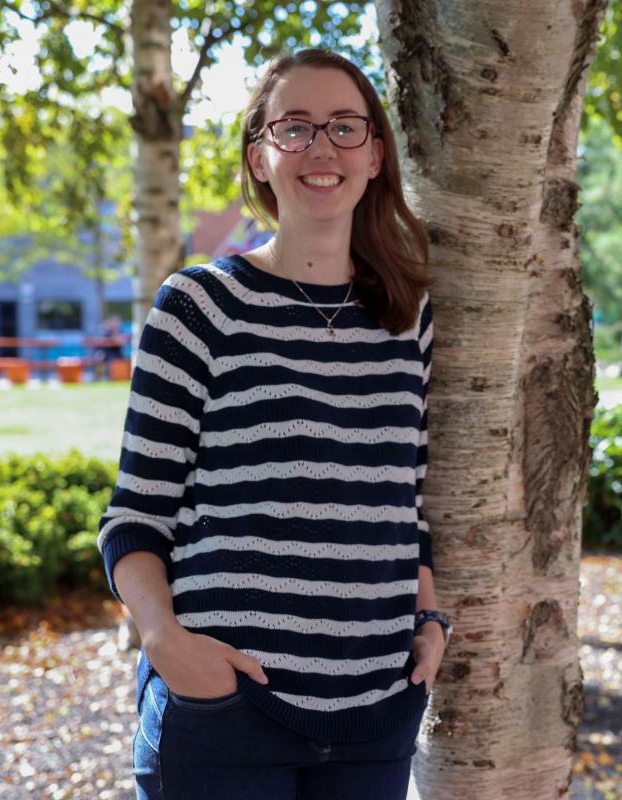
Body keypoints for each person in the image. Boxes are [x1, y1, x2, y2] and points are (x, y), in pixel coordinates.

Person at [98, 49, 447, 800]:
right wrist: (167, 644)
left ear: (377, 154)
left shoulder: (407, 318)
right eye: (295, 128)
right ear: (259, 155)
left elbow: (402, 503)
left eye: (345, 127)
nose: (321, 149)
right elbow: (134, 517)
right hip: (225, 716)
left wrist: (430, 624)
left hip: (376, 717)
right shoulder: (199, 307)